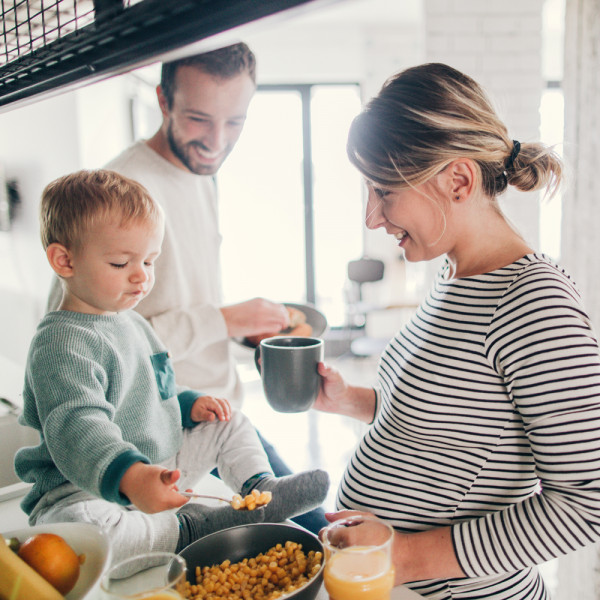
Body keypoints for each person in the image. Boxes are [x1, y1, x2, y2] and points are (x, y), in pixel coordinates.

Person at [314, 62, 600, 600]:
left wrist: (399, 556)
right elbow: (451, 425)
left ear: (459, 180)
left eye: (385, 191)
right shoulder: (454, 276)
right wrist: (349, 400)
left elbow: (588, 503)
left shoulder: (535, 303)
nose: (372, 217)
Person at [46, 42, 329, 533]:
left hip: (214, 410)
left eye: (234, 121)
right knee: (303, 538)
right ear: (162, 101)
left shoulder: (198, 174)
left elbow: (172, 301)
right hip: (159, 435)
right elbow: (81, 332)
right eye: (200, 119)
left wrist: (241, 335)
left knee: (314, 533)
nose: (217, 141)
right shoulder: (123, 188)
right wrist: (223, 319)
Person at [16, 169, 329, 571]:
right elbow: (79, 427)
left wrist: (189, 405)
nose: (141, 276)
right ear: (64, 260)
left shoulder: (132, 321)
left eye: (149, 260)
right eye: (119, 262)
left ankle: (259, 490)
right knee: (85, 532)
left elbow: (157, 388)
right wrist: (129, 476)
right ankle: (191, 529)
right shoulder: (61, 344)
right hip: (82, 490)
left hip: (156, 465)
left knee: (230, 421)